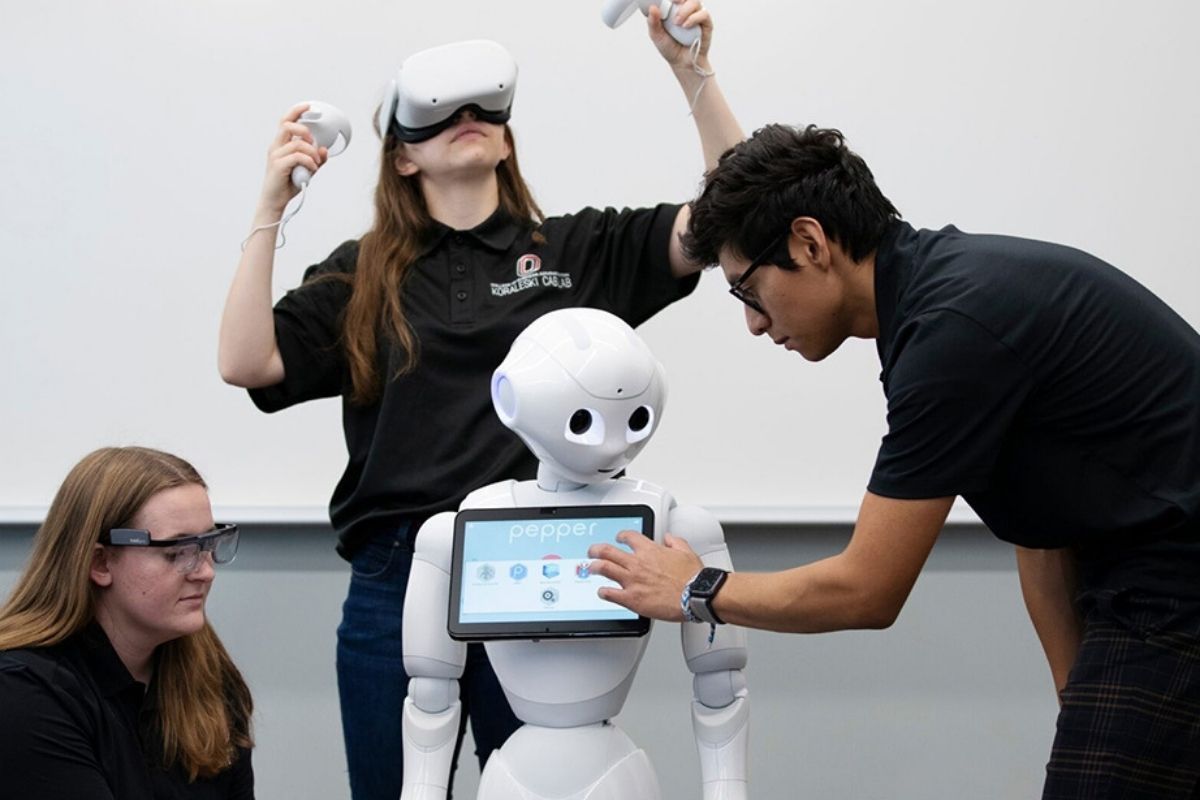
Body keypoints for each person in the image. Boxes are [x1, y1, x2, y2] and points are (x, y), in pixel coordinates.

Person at [216, 4, 743, 799]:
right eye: (443, 113)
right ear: (401, 158)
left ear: (506, 135)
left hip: (539, 561)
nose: (469, 119)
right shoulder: (361, 275)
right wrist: (269, 210)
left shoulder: (573, 251)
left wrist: (689, 69)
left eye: (484, 110)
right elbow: (246, 360)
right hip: (397, 570)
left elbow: (729, 222)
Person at [588, 124, 1200, 798]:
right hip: (1138, 576)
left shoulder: (952, 332)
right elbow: (1040, 532)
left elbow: (868, 590)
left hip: (1173, 579)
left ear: (809, 242)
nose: (754, 324)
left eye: (747, 291)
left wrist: (696, 589)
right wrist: (1076, 701)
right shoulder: (930, 301)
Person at [0, 446, 253, 800]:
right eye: (178, 551)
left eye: (209, 543)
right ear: (100, 563)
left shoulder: (207, 672)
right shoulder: (24, 693)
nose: (207, 571)